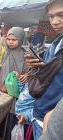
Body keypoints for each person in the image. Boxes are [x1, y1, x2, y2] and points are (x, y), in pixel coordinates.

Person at [25, 0, 63, 139]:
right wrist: (37, 66)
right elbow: (49, 76)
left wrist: (57, 114)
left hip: (54, 123)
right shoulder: (56, 44)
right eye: (51, 16)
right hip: (40, 113)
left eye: (61, 15)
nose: (55, 21)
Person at [0, 27, 28, 92]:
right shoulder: (2, 50)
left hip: (15, 89)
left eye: (14, 40)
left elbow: (33, 70)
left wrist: (27, 75)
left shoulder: (26, 55)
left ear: (21, 39)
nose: (10, 42)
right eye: (8, 39)